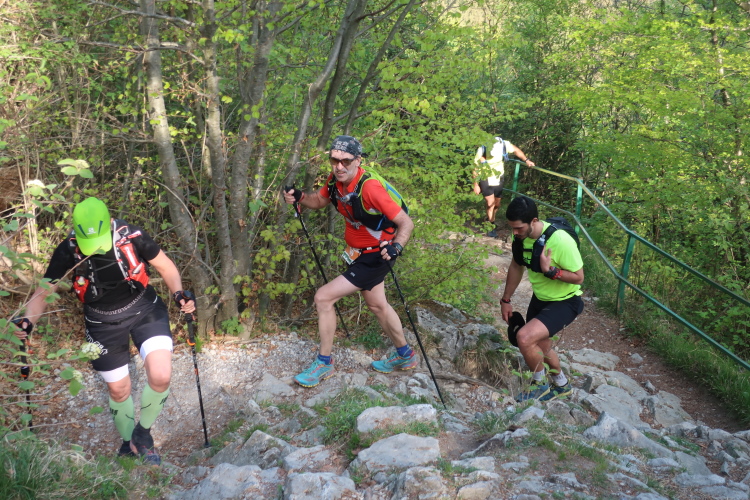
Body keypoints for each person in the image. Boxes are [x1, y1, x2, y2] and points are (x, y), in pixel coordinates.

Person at [11, 197, 195, 465]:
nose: (93, 248)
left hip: (144, 309)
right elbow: (44, 289)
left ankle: (143, 435)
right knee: (119, 391)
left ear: (110, 223)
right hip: (101, 322)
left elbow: (165, 266)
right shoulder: (68, 249)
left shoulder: (132, 236)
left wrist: (179, 294)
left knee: (161, 376)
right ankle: (127, 443)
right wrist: (28, 322)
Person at [283, 135, 416, 387]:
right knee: (377, 305)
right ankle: (405, 355)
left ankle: (324, 363)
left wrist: (397, 246)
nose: (339, 166)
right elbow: (319, 201)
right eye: (334, 160)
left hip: (377, 255)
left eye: (345, 161)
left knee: (323, 297)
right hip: (358, 254)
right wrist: (300, 196)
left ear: (358, 160)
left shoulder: (370, 188)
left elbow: (405, 222)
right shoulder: (335, 181)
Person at [500, 196, 584, 402]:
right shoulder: (520, 238)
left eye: (519, 228)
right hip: (540, 299)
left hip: (566, 301)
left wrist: (551, 271)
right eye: (512, 228)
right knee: (541, 345)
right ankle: (562, 385)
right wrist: (506, 300)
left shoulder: (560, 240)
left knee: (524, 338)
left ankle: (539, 385)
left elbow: (579, 277)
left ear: (534, 221)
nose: (515, 233)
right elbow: (516, 266)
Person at [473, 137, 535, 237]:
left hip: (498, 177)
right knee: (490, 203)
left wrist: (527, 160)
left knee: (497, 204)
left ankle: (489, 218)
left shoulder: (504, 145)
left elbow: (516, 150)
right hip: (485, 177)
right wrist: (476, 185)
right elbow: (475, 168)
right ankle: (491, 226)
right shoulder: (482, 149)